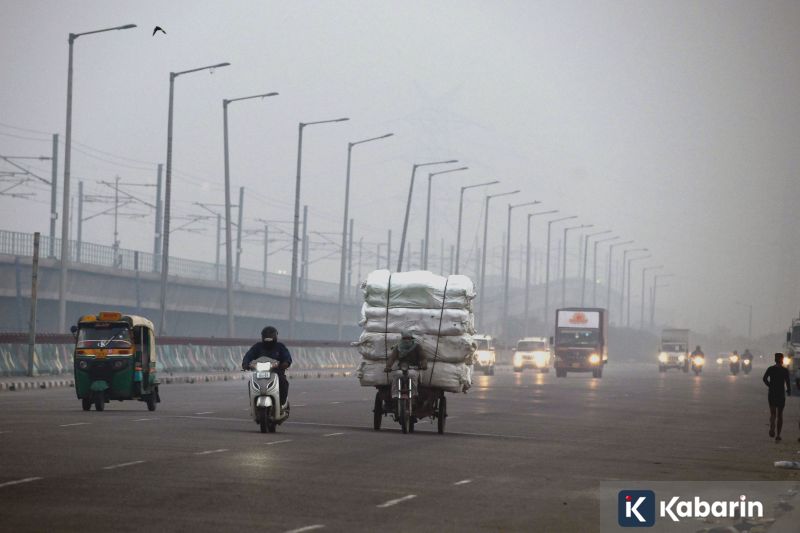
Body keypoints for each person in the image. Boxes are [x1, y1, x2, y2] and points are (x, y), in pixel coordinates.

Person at [242, 326, 292, 407]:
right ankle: (253, 402)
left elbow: (287, 357)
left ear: (275, 336)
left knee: (283, 382)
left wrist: (286, 363)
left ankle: (282, 402)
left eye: (271, 336)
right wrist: (245, 363)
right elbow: (248, 355)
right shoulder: (257, 347)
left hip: (276, 372)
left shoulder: (280, 347)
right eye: (266, 337)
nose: (268, 340)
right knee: (251, 382)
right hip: (259, 373)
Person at [385, 330, 428, 398]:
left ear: (411, 338)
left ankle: (414, 394)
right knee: (396, 375)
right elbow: (392, 358)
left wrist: (424, 364)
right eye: (405, 338)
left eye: (408, 338)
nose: (407, 340)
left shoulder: (417, 346)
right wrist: (388, 366)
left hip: (414, 368)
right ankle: (395, 395)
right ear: (402, 339)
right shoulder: (398, 347)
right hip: (401, 369)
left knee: (412, 375)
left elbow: (423, 358)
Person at [762, 353, 791, 441]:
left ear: (775, 360)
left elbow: (764, 379)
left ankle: (772, 427)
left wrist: (770, 385)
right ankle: (778, 435)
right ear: (782, 360)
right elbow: (788, 383)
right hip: (781, 394)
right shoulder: (785, 370)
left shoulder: (770, 369)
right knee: (780, 415)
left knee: (773, 413)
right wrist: (788, 391)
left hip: (772, 394)